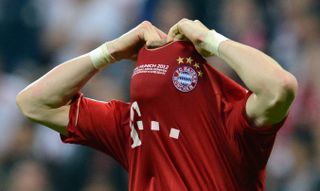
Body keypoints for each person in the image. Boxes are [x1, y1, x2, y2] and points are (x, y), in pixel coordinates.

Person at [16, 19, 298, 190]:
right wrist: (109, 50)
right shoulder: (133, 125)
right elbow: (33, 102)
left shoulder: (229, 119)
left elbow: (280, 87)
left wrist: (210, 39)